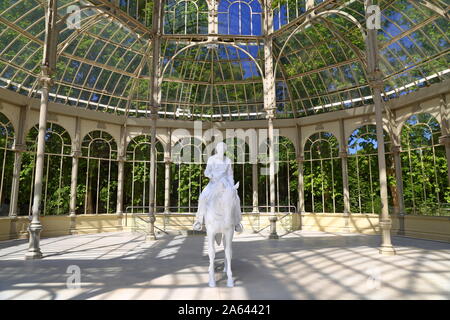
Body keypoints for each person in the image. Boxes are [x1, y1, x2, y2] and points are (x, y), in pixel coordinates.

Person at [193, 142, 243, 232]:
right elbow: (206, 172)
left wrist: (231, 186)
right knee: (202, 197)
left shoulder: (227, 160)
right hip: (213, 182)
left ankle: (237, 222)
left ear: (225, 150)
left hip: (225, 182)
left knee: (236, 198)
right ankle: (199, 221)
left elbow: (230, 175)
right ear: (217, 149)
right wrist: (211, 176)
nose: (221, 150)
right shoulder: (211, 159)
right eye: (220, 148)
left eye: (223, 148)